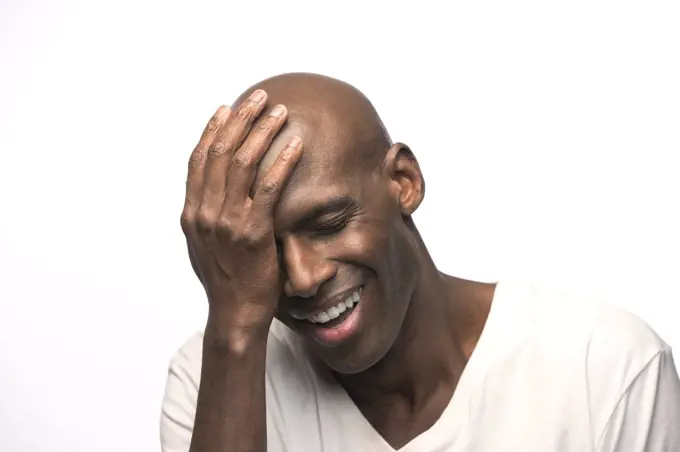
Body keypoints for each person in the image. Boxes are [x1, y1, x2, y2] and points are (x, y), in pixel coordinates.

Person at [160, 72, 680, 452]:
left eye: (330, 223)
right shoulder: (217, 376)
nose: (302, 277)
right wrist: (234, 330)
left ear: (404, 182)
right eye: (263, 247)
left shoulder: (606, 371)